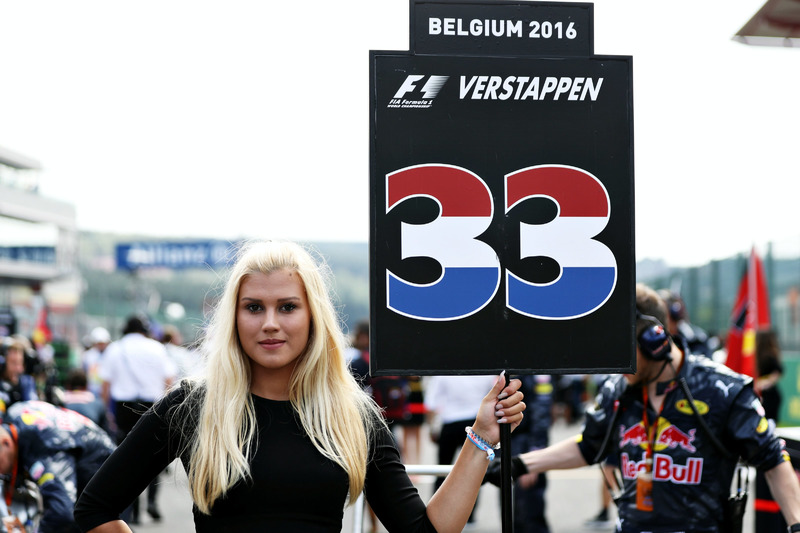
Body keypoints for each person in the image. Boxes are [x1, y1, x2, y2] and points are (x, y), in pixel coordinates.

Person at [74, 240, 525, 533]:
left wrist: (482, 436)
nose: (270, 324)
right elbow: (94, 508)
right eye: (254, 307)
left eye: (287, 306)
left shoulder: (351, 414)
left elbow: (424, 532)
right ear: (234, 316)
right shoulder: (194, 406)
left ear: (313, 317)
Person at [488, 283, 800, 532]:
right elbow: (589, 446)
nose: (617, 363)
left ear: (657, 340)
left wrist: (796, 525)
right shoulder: (617, 388)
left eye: (625, 351)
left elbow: (772, 459)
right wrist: (519, 464)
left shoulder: (724, 390)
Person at [99, 315, 176, 524]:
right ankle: (151, 501)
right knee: (153, 455)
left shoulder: (115, 349)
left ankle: (131, 510)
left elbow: (105, 385)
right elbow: (169, 380)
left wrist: (108, 412)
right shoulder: (157, 348)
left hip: (124, 408)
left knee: (126, 458)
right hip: (152, 406)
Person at [0, 400, 116, 532]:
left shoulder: (43, 445)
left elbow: (61, 512)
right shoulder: (15, 412)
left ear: (6, 443)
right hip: (94, 448)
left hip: (109, 477)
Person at [425, 374, 497, 527]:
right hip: (476, 421)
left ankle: (434, 516)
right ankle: (469, 516)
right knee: (475, 470)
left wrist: (432, 428)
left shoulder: (444, 371)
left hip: (451, 423)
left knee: (441, 469)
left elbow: (431, 402)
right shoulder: (484, 370)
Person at [63, 368, 109, 434]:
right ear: (86, 386)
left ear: (68, 386)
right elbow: (105, 431)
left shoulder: (60, 402)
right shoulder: (98, 403)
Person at [0, 337, 39, 410]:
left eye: (20, 363)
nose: (18, 368)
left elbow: (32, 408)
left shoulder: (26, 381)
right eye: (13, 363)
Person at [82, 327, 111, 397]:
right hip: (92, 390)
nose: (102, 345)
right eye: (99, 343)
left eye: (103, 343)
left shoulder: (110, 354)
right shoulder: (88, 356)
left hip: (106, 390)